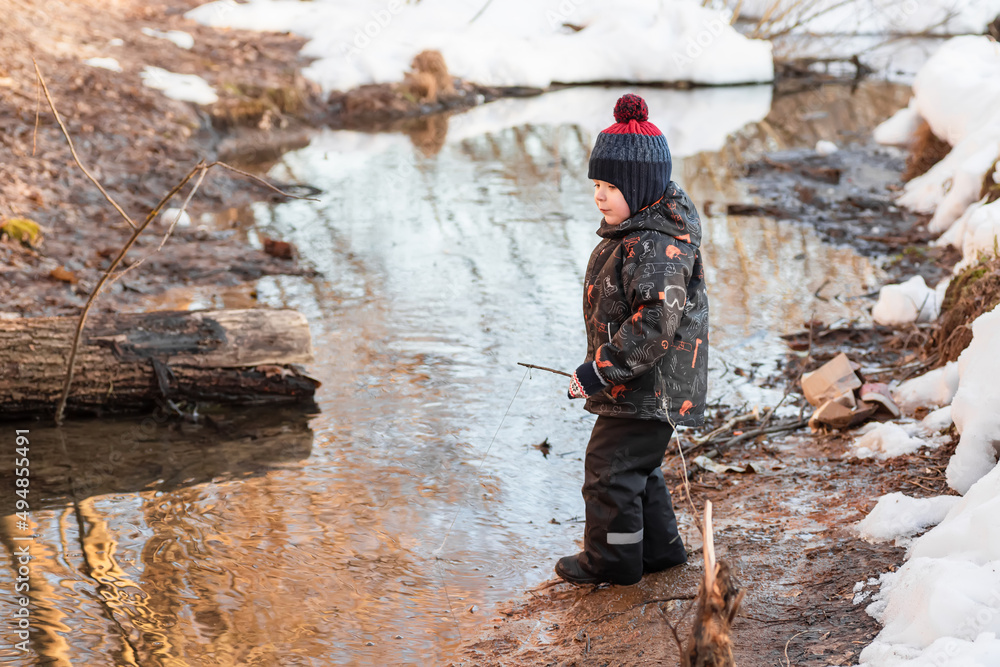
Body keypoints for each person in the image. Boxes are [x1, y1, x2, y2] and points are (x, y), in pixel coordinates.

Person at [558, 93, 710, 586]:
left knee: (609, 471)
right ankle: (660, 551)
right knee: (638, 468)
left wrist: (599, 370)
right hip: (645, 385)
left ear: (641, 188)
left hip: (648, 384)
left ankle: (613, 562)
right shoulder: (637, 232)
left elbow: (653, 326)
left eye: (610, 186)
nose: (599, 195)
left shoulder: (656, 246)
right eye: (597, 184)